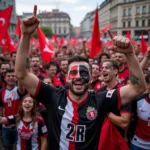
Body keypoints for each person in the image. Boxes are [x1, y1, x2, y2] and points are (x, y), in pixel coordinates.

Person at [15, 5, 146, 150]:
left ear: (91, 78)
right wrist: (26, 36)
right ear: (66, 76)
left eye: (83, 72)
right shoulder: (53, 96)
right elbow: (21, 74)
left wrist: (130, 54)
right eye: (73, 73)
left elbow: (138, 87)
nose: (78, 77)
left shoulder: (100, 100)